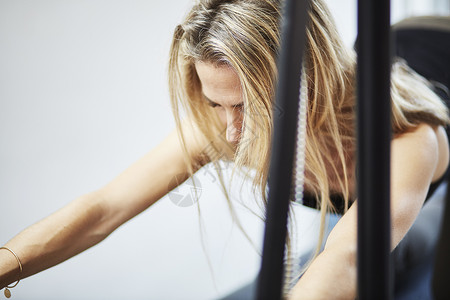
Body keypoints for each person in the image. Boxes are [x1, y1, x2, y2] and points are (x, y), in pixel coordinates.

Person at [1, 0, 449, 299]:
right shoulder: (229, 121)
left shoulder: (409, 139)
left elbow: (349, 257)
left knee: (407, 258)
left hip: (429, 108)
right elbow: (103, 209)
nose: (232, 133)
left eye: (249, 106)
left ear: (305, 84)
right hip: (367, 70)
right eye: (218, 104)